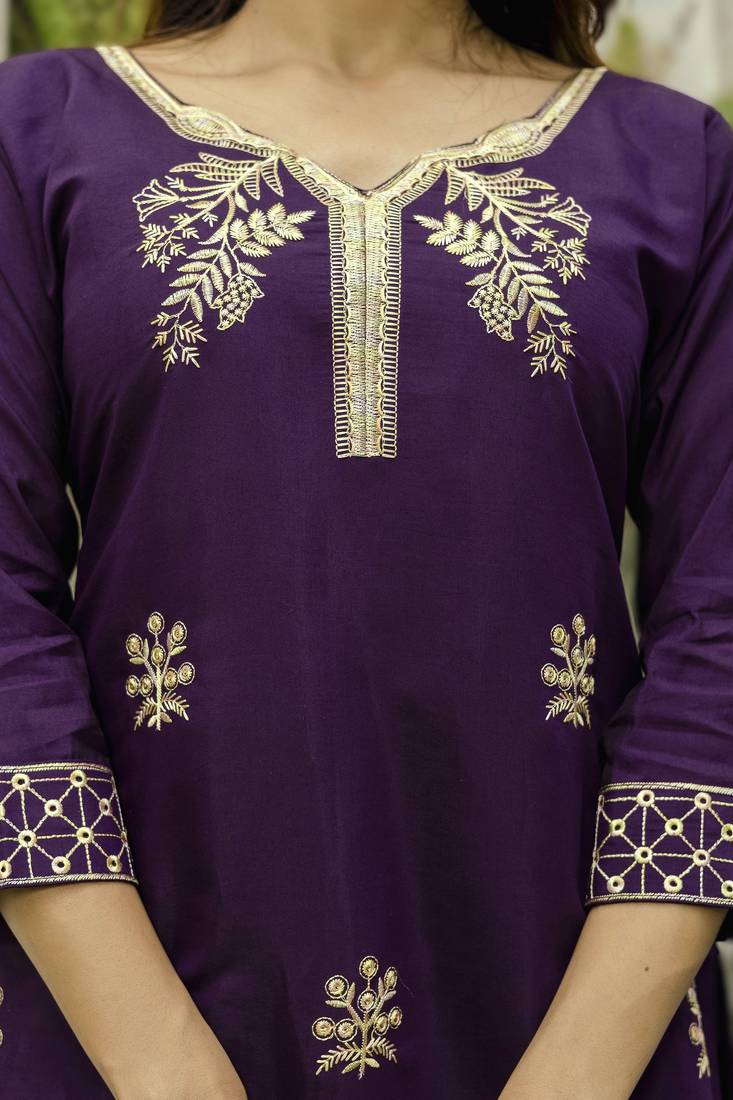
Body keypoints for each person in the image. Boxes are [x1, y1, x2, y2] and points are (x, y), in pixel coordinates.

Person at [0, 0, 731, 1096]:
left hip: (578, 1022)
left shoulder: (676, 164)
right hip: (119, 1021)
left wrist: (577, 1072)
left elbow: (717, 626)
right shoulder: (35, 134)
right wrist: (160, 1065)